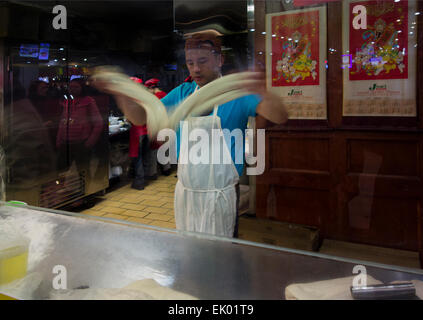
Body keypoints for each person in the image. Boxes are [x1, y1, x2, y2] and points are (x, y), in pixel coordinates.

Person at [95, 31, 288, 238]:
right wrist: (122, 93)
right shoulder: (183, 93)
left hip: (221, 194)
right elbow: (141, 117)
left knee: (220, 256)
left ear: (219, 59)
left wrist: (264, 91)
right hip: (186, 192)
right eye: (190, 63)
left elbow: (279, 116)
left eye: (202, 61)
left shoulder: (237, 93)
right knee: (189, 252)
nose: (196, 69)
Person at [56, 78, 103, 176]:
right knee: (61, 171)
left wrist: (90, 142)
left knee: (83, 171)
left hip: (81, 143)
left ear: (82, 88)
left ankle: (85, 190)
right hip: (66, 142)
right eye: (71, 87)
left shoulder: (88, 101)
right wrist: (59, 139)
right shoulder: (66, 101)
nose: (72, 89)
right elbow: (62, 122)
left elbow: (98, 123)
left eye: (76, 87)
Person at [128, 77, 158, 190]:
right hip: (147, 129)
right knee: (145, 155)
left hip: (138, 131)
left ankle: (139, 181)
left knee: (138, 157)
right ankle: (144, 179)